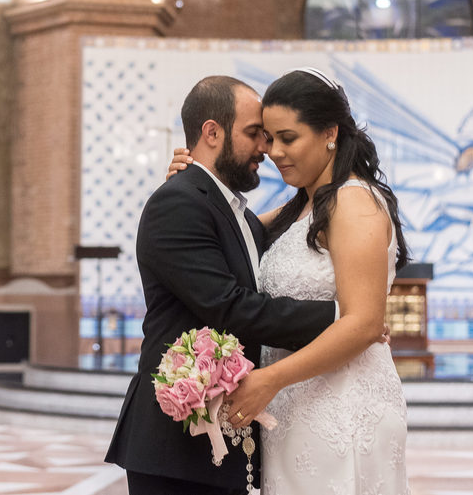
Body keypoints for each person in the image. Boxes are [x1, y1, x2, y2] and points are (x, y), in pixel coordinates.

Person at [172, 68, 411, 494]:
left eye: (287, 137)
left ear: (329, 134)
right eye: (266, 136)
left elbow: (363, 323)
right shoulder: (301, 208)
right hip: (294, 407)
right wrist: (191, 186)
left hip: (341, 404)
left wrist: (271, 379)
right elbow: (226, 229)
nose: (272, 150)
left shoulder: (353, 202)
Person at [105, 75, 338, 495]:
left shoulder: (233, 210)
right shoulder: (178, 203)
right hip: (175, 446)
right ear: (212, 132)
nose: (265, 150)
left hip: (223, 440)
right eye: (254, 134)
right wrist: (342, 318)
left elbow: (279, 231)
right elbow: (232, 306)